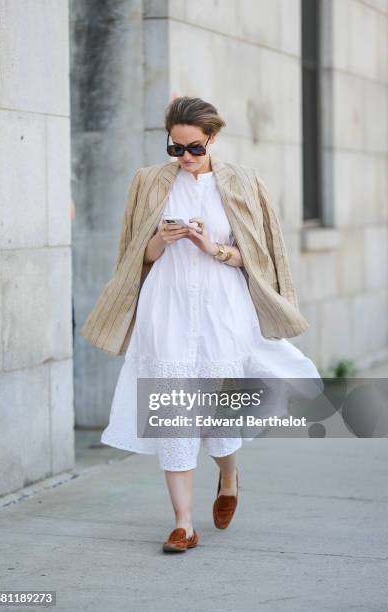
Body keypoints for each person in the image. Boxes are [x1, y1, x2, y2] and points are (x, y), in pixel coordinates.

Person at [81, 96, 322, 553]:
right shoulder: (148, 182)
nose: (184, 158)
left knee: (215, 412)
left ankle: (229, 475)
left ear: (211, 138)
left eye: (193, 148)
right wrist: (159, 241)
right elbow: (135, 257)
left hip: (221, 310)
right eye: (175, 148)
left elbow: (260, 257)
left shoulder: (243, 182)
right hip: (166, 308)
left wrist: (213, 248)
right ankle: (182, 524)